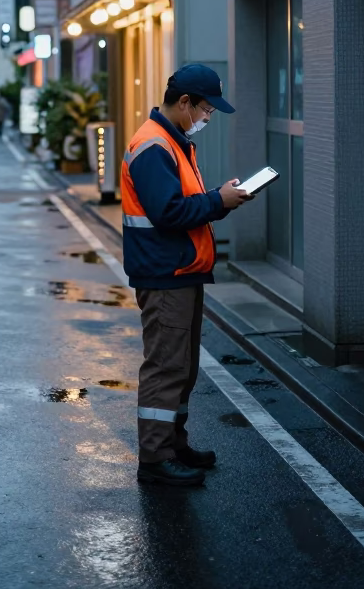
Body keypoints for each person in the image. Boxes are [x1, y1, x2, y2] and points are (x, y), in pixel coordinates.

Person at [121, 63, 252, 488]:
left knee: (183, 367)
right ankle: (155, 459)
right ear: (184, 103)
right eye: (206, 110)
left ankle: (174, 445)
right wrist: (220, 201)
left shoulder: (172, 142)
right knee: (166, 367)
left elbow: (180, 202)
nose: (208, 117)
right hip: (165, 273)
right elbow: (168, 212)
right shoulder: (154, 146)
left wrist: (218, 197)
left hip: (180, 271)